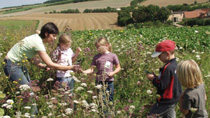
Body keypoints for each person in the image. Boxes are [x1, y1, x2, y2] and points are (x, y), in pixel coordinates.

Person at [3, 22, 79, 115]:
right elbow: (51, 64)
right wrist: (71, 67)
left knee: (27, 92)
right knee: (28, 95)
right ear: (46, 34)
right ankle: (32, 114)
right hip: (12, 66)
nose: (55, 38)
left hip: (17, 64)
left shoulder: (36, 38)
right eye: (53, 35)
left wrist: (41, 66)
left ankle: (26, 113)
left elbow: (30, 56)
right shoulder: (38, 43)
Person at [146, 40, 182, 117]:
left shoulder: (167, 68)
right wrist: (157, 77)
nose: (158, 58)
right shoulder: (176, 65)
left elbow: (162, 85)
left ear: (167, 54)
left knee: (151, 116)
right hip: (174, 99)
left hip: (165, 100)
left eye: (160, 55)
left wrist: (152, 79)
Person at [81, 37, 121, 103]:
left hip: (109, 81)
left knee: (109, 99)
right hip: (99, 82)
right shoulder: (96, 57)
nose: (98, 49)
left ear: (106, 45)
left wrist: (112, 73)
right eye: (97, 47)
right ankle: (103, 112)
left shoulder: (113, 56)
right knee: (101, 99)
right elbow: (91, 69)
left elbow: (118, 67)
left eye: (99, 47)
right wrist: (83, 71)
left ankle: (109, 112)